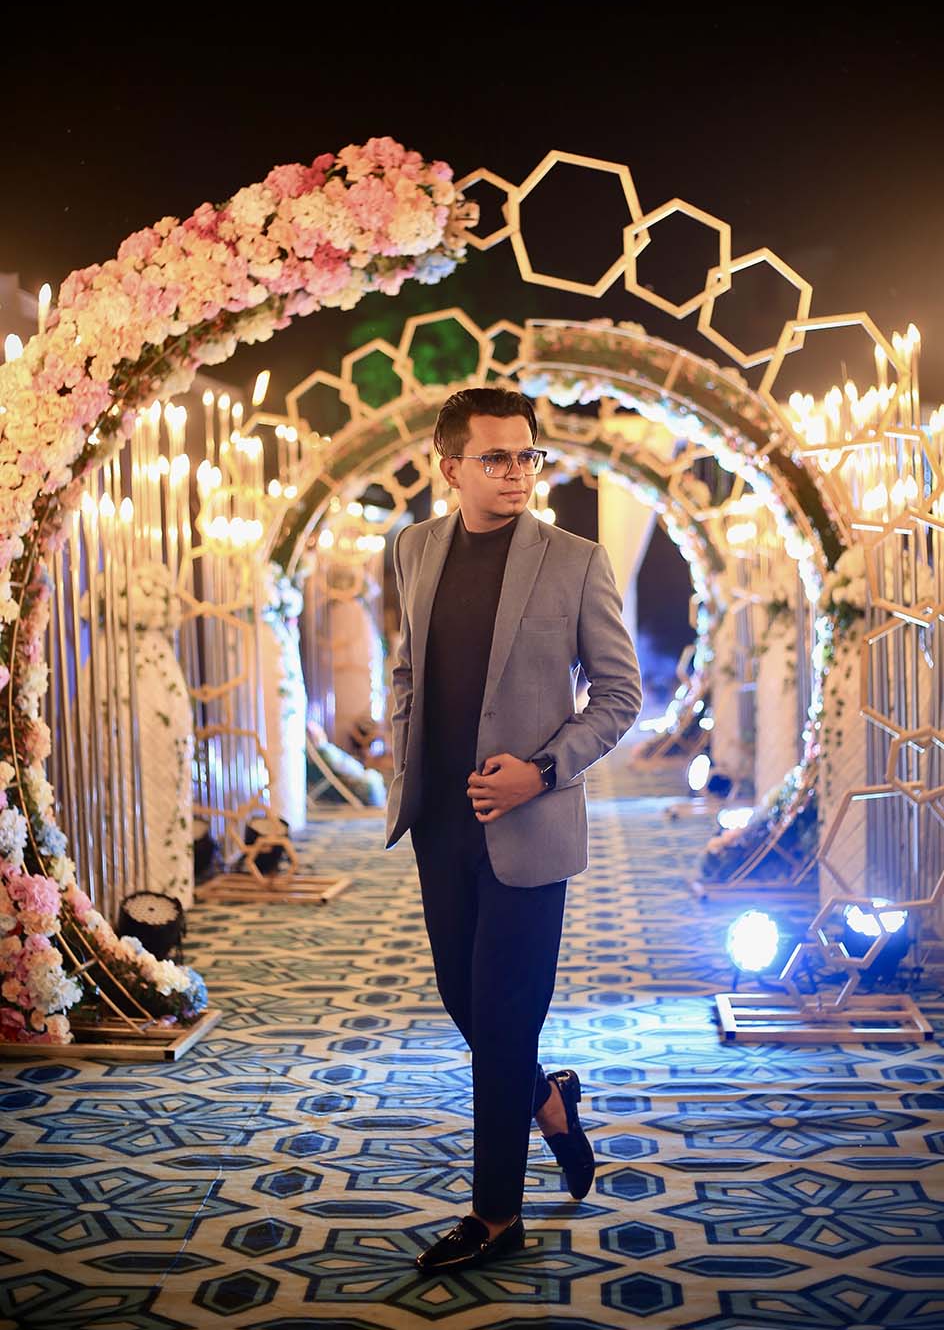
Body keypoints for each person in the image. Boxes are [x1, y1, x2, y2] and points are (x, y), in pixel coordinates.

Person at [386, 386, 642, 1273]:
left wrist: (543, 770)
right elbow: (409, 670)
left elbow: (619, 695)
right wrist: (406, 758)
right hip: (439, 823)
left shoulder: (575, 561)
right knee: (467, 1004)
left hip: (531, 827)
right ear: (450, 466)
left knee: (501, 1017)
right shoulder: (413, 547)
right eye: (494, 457)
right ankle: (550, 1098)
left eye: (527, 455)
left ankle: (496, 1216)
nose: (515, 472)